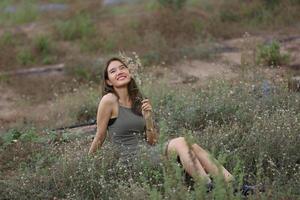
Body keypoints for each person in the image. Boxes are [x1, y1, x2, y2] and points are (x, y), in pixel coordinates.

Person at [88, 57, 254, 194]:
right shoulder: (108, 100)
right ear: (108, 81)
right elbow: (100, 136)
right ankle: (208, 188)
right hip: (133, 161)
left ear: (129, 72)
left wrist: (148, 118)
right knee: (182, 141)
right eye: (113, 71)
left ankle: (237, 187)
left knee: (191, 144)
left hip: (149, 152)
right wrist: (88, 163)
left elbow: (152, 141)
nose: (119, 72)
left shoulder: (138, 99)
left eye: (122, 67)